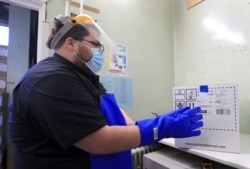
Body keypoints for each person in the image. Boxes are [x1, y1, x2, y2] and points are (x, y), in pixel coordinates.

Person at [8, 14, 203, 169]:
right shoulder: (51, 80)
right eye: (95, 45)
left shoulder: (83, 76)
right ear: (71, 43)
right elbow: (98, 141)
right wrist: (162, 127)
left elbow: (121, 119)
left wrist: (158, 121)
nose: (99, 51)